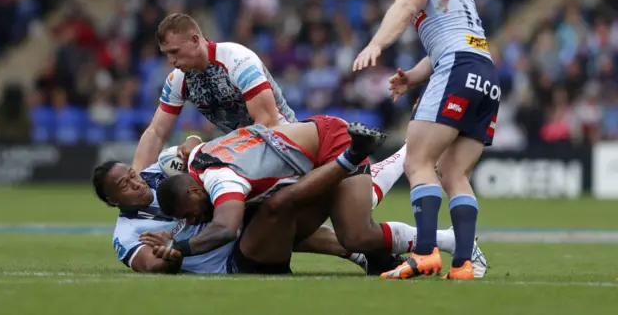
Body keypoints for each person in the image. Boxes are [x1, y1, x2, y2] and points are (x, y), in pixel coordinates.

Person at [353, 0, 499, 281]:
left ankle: (424, 253)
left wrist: (376, 43)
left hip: (458, 69)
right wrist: (414, 78)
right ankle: (464, 264)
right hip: (485, 74)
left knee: (417, 159)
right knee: (454, 172)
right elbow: (449, 40)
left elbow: (406, 7)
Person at [148, 117, 486, 276]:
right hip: (307, 149)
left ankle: (455, 241)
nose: (191, 220)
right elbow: (190, 144)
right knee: (281, 219)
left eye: (189, 213)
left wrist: (179, 246)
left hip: (327, 144)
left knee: (356, 233)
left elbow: (225, 227)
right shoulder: (197, 158)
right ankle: (406, 149)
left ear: (194, 188)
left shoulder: (220, 178)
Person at [132, 13, 403, 210]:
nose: (171, 61)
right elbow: (156, 132)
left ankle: (401, 157)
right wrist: (138, 181)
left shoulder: (237, 59)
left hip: (285, 143)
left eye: (175, 52)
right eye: (167, 54)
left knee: (346, 207)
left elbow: (267, 122)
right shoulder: (178, 79)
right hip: (245, 153)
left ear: (194, 40)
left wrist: (210, 152)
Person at [93, 160, 371, 274]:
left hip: (236, 229)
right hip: (233, 261)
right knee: (279, 206)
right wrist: (168, 251)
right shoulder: (126, 233)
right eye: (124, 185)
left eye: (132, 173)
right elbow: (151, 265)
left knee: (269, 200)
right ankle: (351, 167)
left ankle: (363, 250)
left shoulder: (157, 172)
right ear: (112, 200)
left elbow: (189, 150)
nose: (136, 182)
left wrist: (191, 144)